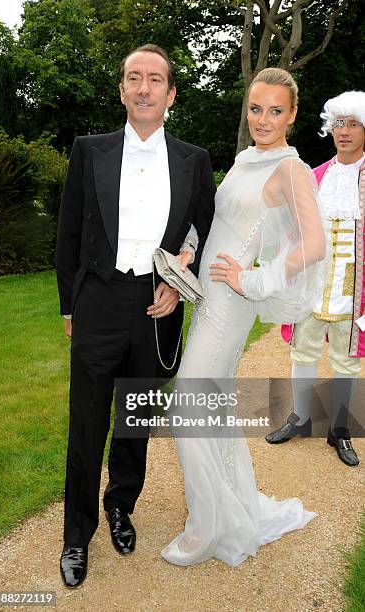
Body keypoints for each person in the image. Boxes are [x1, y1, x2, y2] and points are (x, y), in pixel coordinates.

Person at [56, 44, 215, 587]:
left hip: (156, 305)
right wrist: (68, 307)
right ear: (122, 90)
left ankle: (120, 506)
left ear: (170, 94)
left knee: (136, 419)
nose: (144, 88)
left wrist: (177, 279)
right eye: (133, 78)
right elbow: (69, 236)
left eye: (155, 79)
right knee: (87, 424)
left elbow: (200, 229)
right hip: (98, 302)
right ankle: (76, 535)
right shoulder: (88, 150)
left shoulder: (194, 160)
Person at [160, 67, 326, 567]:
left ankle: (208, 526)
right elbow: (220, 222)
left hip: (232, 301)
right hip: (207, 295)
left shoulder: (291, 170)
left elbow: (314, 245)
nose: (264, 119)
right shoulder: (246, 160)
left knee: (189, 401)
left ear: (293, 115)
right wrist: (190, 252)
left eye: (276, 110)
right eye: (256, 108)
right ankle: (226, 508)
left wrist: (254, 279)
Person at [266, 91, 365, 467]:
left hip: (353, 288)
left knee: (346, 359)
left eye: (353, 123)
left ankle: (338, 429)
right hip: (314, 282)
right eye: (339, 123)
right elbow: (294, 230)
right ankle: (300, 417)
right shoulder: (316, 176)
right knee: (303, 351)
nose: (344, 131)